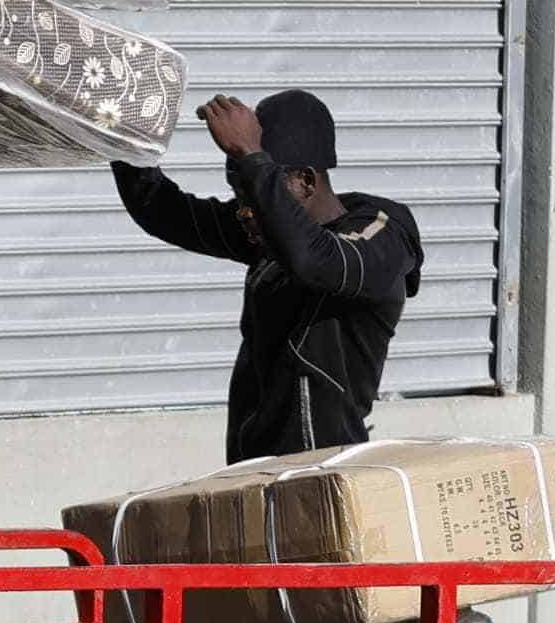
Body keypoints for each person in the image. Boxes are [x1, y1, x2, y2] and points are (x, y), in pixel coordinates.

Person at [110, 90, 422, 463]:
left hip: (321, 474)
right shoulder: (270, 229)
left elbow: (315, 261)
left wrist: (250, 156)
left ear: (307, 181)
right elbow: (165, 213)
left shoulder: (380, 236)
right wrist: (122, 137)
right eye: (239, 197)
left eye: (251, 197)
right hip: (253, 470)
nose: (243, 212)